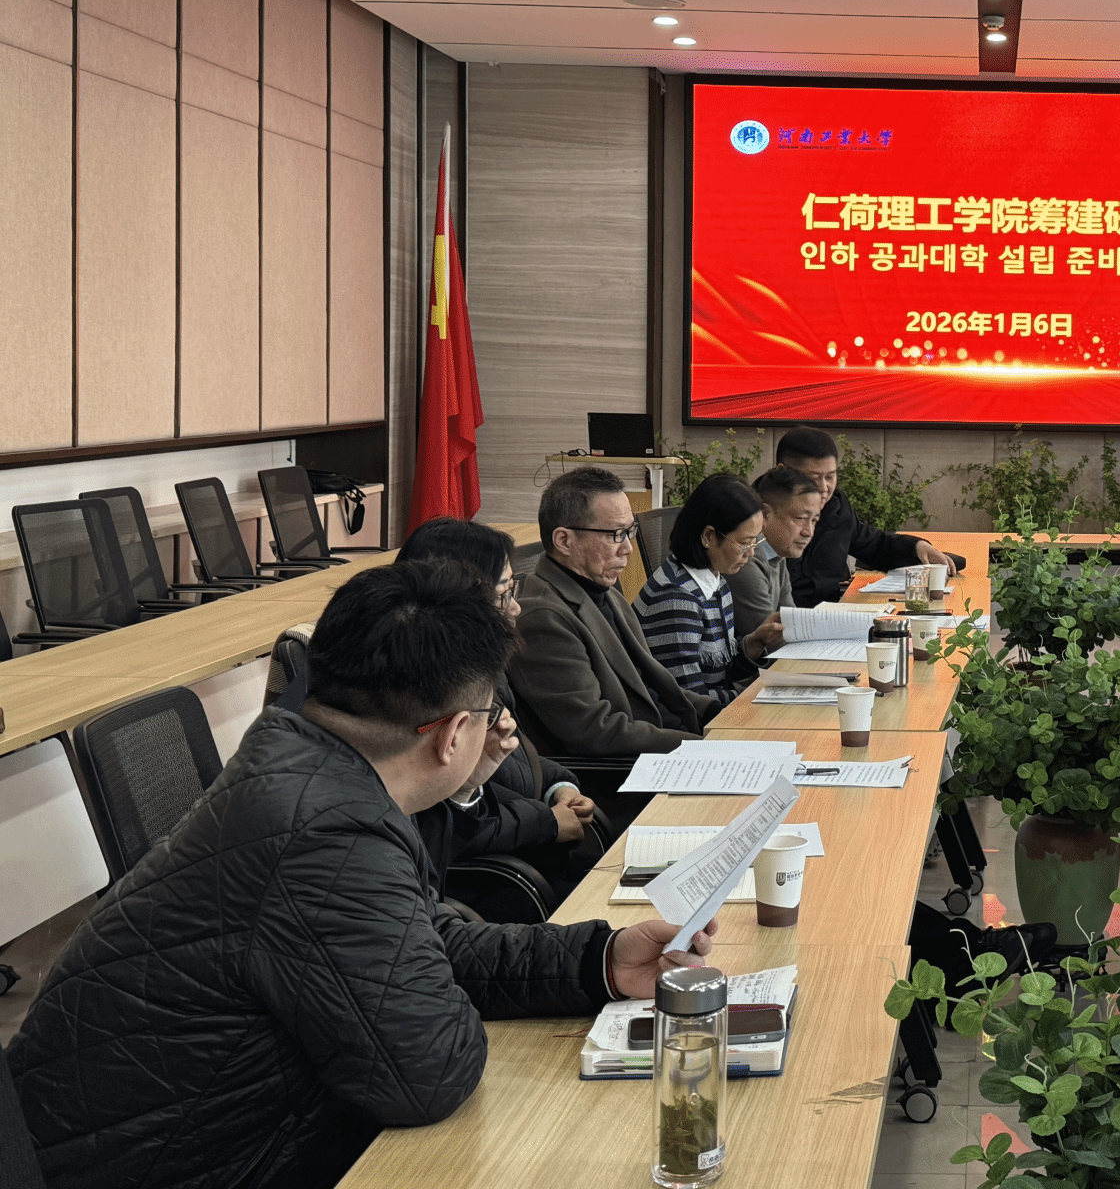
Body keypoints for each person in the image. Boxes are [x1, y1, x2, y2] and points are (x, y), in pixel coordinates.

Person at [6, 560, 714, 1189]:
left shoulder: (299, 761)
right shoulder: (327, 832)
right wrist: (429, 991)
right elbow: (431, 1070)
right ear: (453, 735)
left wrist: (597, 961)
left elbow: (414, 943)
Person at [397, 518, 600, 903]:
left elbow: (518, 756)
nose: (516, 607)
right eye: (504, 594)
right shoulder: (427, 695)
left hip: (533, 854)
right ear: (457, 601)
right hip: (496, 883)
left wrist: (561, 788)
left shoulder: (484, 671)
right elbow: (447, 824)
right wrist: (546, 822)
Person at [507, 466, 717, 759]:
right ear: (564, 541)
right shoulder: (542, 619)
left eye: (630, 531)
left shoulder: (604, 591)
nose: (628, 548)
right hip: (632, 770)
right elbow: (596, 732)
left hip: (668, 743)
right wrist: (705, 748)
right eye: (616, 534)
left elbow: (653, 690)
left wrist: (722, 714)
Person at [633, 474, 773, 712]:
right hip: (683, 724)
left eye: (755, 542)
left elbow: (721, 674)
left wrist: (756, 642)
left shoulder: (716, 582)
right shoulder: (677, 599)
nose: (750, 553)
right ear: (709, 536)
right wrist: (756, 696)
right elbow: (689, 700)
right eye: (744, 543)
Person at [776, 426, 948, 605]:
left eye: (830, 477)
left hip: (832, 613)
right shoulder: (763, 517)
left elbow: (875, 545)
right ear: (781, 472)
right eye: (813, 478)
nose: (823, 488)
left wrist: (917, 547)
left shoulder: (836, 506)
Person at [727, 465, 823, 647]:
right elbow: (771, 642)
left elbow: (791, 622)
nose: (809, 532)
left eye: (814, 521)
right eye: (801, 519)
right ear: (765, 515)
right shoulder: (746, 558)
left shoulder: (776, 553)